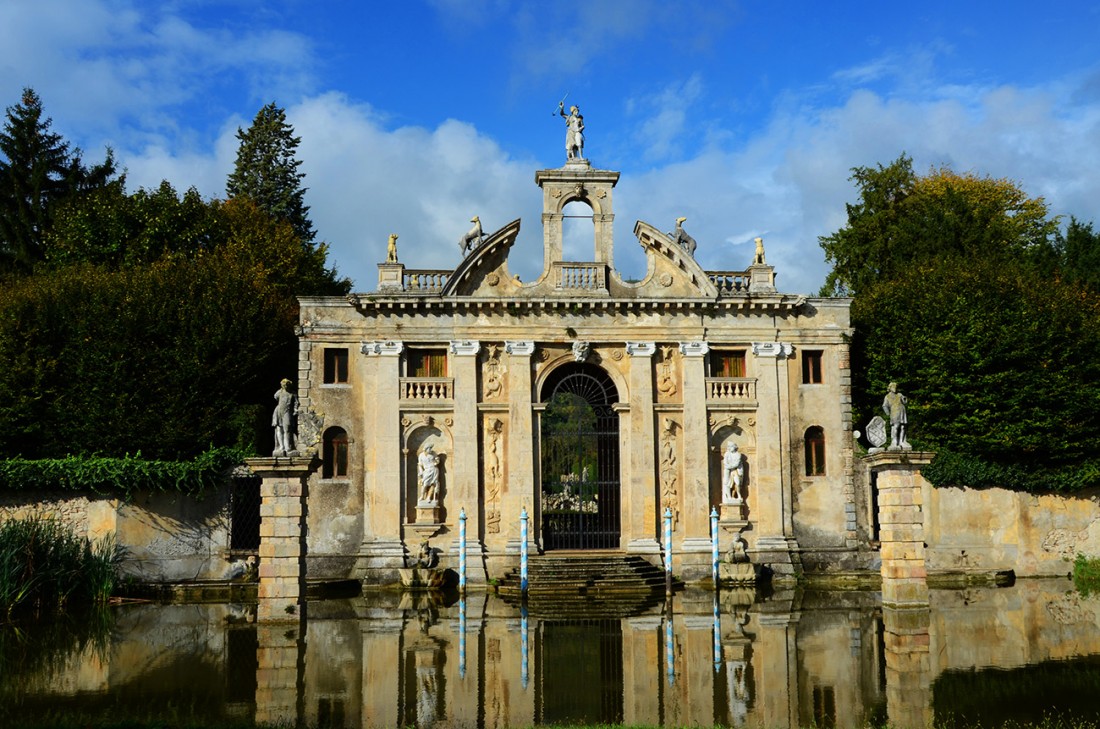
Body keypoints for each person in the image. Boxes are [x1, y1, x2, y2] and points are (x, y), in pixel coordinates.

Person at [272, 378, 298, 456]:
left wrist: (295, 410)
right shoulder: (279, 392)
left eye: (286, 385)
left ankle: (288, 447)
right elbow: (275, 397)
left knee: (287, 429)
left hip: (287, 411)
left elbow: (296, 403)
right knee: (279, 429)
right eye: (283, 385)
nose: (285, 386)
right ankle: (281, 447)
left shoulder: (293, 393)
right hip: (278, 411)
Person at [882, 382, 911, 450]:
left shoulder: (899, 394)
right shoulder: (887, 396)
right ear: (890, 388)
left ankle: (902, 441)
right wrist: (888, 413)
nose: (895, 388)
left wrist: (904, 398)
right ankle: (894, 441)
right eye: (893, 387)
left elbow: (904, 402)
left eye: (895, 387)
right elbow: (884, 406)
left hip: (902, 411)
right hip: (894, 412)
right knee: (896, 427)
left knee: (903, 426)